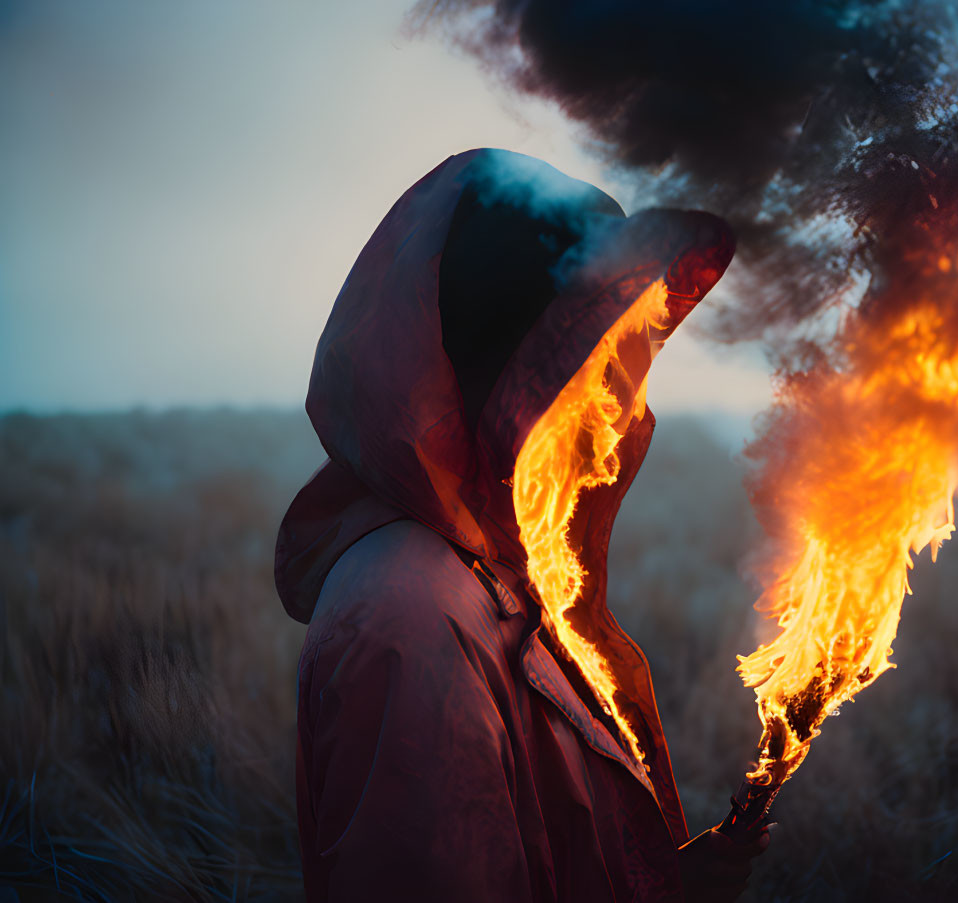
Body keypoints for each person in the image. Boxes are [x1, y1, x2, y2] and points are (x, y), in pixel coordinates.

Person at [274, 148, 768, 902]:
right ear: (501, 376)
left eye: (623, 369)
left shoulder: (485, 570)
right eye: (588, 370)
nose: (619, 414)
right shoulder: (411, 622)